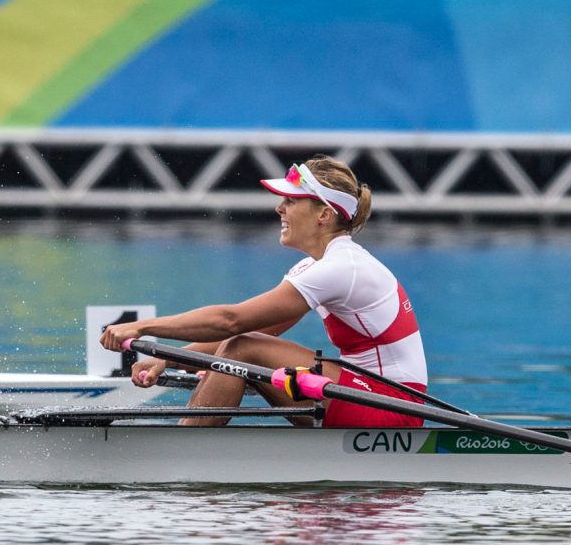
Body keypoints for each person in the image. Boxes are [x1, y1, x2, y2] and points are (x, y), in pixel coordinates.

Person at [99, 156, 427, 427]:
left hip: (395, 406)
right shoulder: (317, 267)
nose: (279, 209)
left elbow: (231, 321)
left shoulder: (342, 268)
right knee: (240, 348)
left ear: (324, 215)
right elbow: (261, 329)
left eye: (290, 201)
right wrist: (167, 360)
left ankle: (185, 455)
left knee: (241, 349)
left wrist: (142, 328)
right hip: (366, 393)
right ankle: (191, 447)